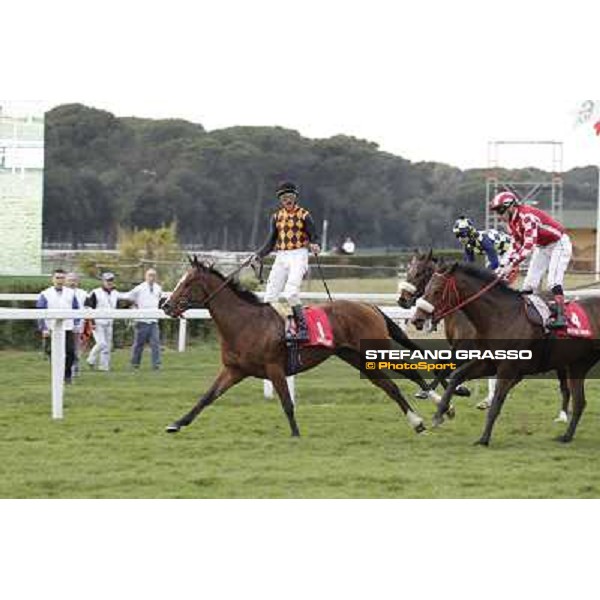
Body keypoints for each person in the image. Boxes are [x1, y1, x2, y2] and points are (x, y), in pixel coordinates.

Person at [489, 191, 572, 329]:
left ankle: (561, 316)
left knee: (553, 281)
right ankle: (531, 315)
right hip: (542, 247)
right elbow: (515, 245)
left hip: (559, 244)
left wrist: (513, 264)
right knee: (529, 284)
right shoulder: (512, 222)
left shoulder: (526, 217)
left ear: (511, 207)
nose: (498, 215)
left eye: (500, 210)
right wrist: (503, 265)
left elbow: (528, 246)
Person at [255, 181, 320, 340]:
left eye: (290, 196)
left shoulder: (304, 215)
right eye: (284, 197)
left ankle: (303, 330)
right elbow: (271, 241)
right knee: (270, 296)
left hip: (299, 254)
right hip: (281, 256)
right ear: (280, 200)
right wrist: (258, 255)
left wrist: (315, 244)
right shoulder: (276, 217)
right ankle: (274, 328)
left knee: (291, 292)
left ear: (295, 197)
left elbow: (314, 235)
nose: (287, 200)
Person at [36, 268, 80, 384]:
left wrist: (76, 323)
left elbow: (76, 309)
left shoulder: (71, 293)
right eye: (57, 278)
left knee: (70, 353)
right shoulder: (45, 294)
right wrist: (44, 328)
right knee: (53, 353)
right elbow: (40, 312)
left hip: (68, 327)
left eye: (62, 278)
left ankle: (67, 376)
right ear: (52, 279)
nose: (60, 280)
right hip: (51, 328)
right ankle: (57, 375)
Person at [125, 268, 163, 370]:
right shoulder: (140, 288)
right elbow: (129, 296)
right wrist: (135, 305)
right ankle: (135, 364)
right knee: (138, 344)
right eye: (150, 275)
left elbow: (159, 299)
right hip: (141, 320)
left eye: (153, 275)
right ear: (146, 277)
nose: (152, 277)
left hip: (154, 320)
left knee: (156, 344)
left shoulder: (158, 288)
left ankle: (156, 365)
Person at [85, 272, 119, 371]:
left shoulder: (115, 293)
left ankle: (104, 367)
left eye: (111, 280)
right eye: (107, 280)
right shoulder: (95, 292)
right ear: (103, 281)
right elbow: (88, 308)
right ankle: (90, 360)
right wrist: (92, 321)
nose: (109, 282)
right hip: (98, 322)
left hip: (109, 322)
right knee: (102, 343)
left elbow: (120, 304)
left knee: (107, 346)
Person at [66, 272, 88, 376]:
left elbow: (88, 308)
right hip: (65, 324)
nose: (72, 282)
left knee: (76, 347)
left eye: (74, 280)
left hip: (78, 325)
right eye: (70, 280)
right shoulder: (63, 293)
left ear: (78, 282)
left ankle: (75, 368)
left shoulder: (83, 294)